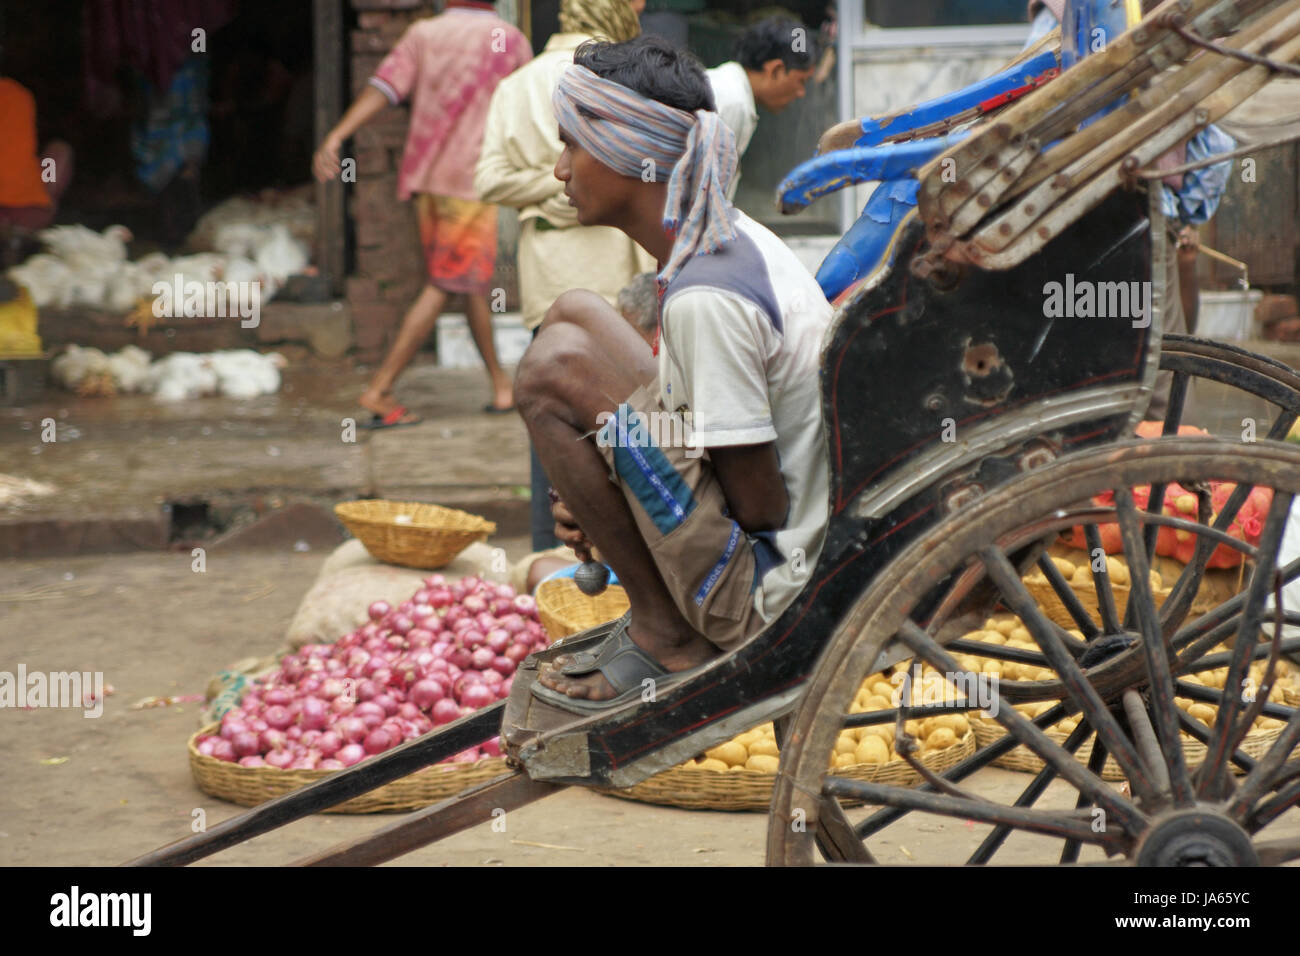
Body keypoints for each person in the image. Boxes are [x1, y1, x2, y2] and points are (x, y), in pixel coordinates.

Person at [514, 36, 833, 711]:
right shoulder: (729, 238)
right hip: (772, 535)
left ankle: (667, 634)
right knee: (571, 313)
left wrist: (622, 483)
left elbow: (760, 507)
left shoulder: (704, 299)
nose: (560, 169)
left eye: (573, 145)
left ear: (632, 155)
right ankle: (655, 615)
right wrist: (611, 472)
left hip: (765, 589)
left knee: (550, 372)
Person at [474, 0, 650, 549]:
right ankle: (623, 562)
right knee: (627, 423)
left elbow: (491, 180)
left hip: (550, 271)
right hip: (612, 265)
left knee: (549, 419)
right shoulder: (612, 79)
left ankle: (550, 559)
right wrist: (562, 188)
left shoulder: (516, 85)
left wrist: (546, 195)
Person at [313, 1, 530, 427]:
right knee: (447, 282)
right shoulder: (509, 42)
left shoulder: (424, 35)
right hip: (469, 182)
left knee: (466, 283)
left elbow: (384, 87)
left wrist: (337, 134)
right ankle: (380, 389)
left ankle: (501, 386)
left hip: (427, 179)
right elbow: (526, 109)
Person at [706, 16, 816, 197]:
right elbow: (706, 199)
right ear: (776, 70)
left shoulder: (726, 84)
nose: (801, 93)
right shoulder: (734, 102)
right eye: (801, 81)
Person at [0, 76, 72, 231]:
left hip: (22, 206)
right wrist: (47, 192)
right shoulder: (20, 95)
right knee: (58, 152)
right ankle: (45, 196)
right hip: (30, 210)